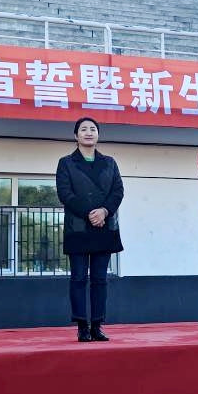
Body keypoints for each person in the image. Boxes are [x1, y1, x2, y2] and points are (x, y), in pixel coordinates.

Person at [55, 117, 125, 342]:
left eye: (92, 129)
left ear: (98, 134)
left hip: (104, 227)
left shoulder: (110, 163)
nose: (88, 132)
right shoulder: (66, 163)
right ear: (76, 136)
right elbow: (65, 194)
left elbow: (118, 191)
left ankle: (97, 325)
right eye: (83, 129)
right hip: (78, 227)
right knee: (78, 278)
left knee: (100, 279)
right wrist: (90, 213)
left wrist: (104, 211)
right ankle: (81, 326)